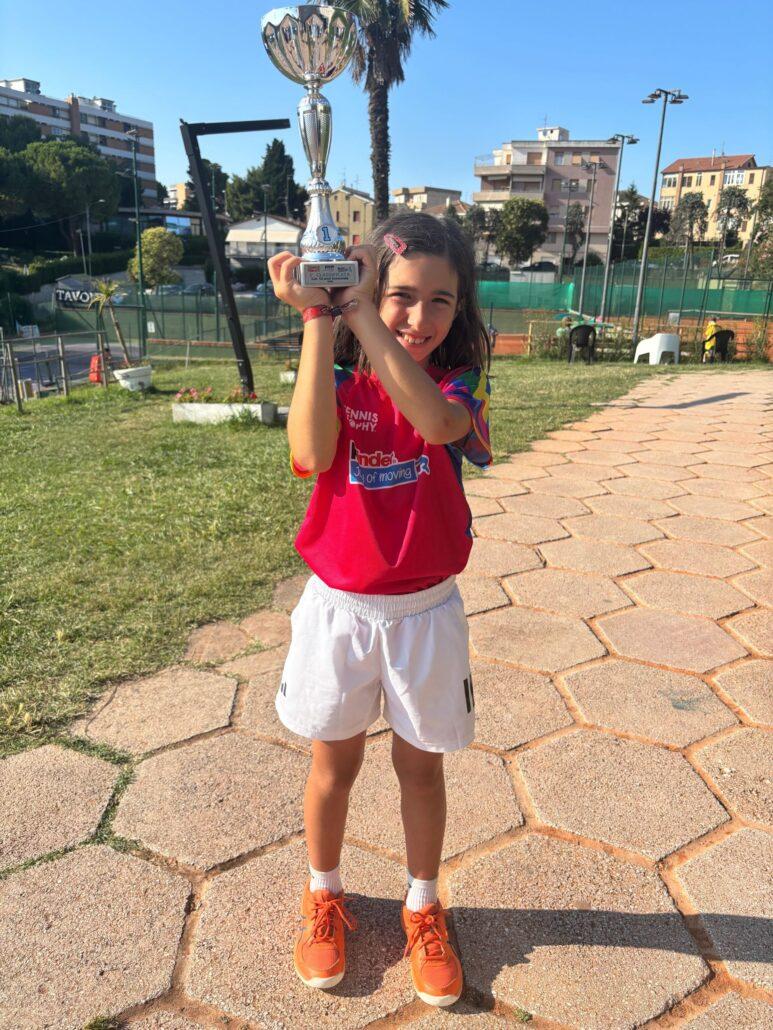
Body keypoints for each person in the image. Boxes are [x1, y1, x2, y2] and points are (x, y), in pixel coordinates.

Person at [267, 211, 492, 1008]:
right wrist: (316, 317)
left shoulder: (459, 380)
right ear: (371, 288)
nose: (419, 316)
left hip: (425, 613)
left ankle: (422, 905)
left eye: (440, 300)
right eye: (401, 295)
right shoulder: (334, 374)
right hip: (339, 611)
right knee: (334, 765)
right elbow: (308, 454)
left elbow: (437, 424)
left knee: (419, 768)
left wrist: (361, 309)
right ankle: (323, 893)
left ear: (460, 308)